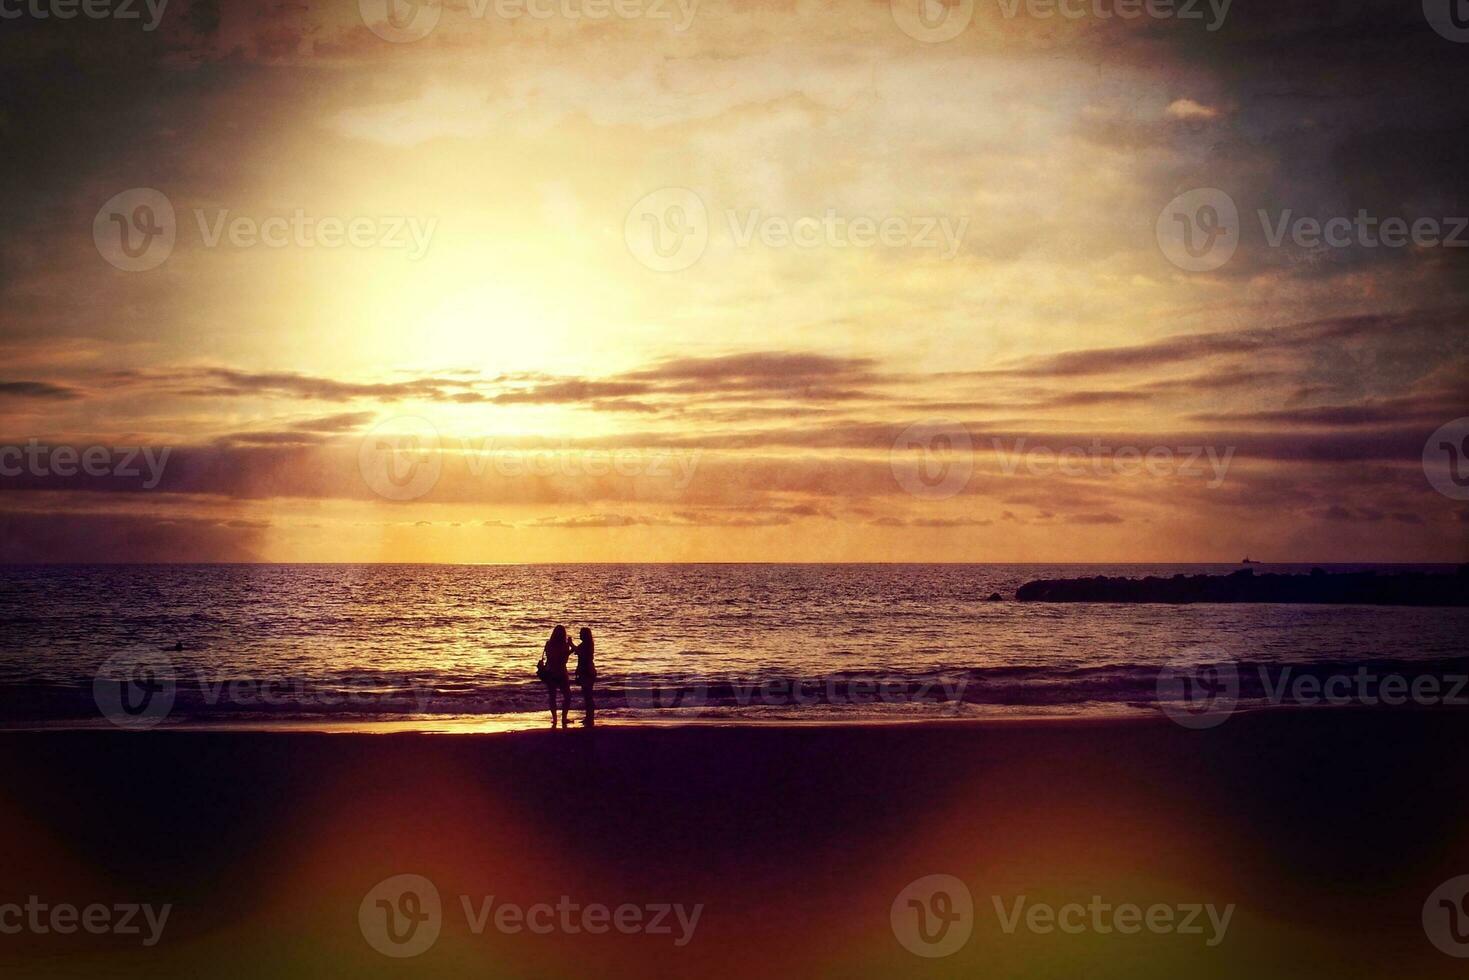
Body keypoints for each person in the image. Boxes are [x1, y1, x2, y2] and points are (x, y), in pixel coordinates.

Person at [539, 625, 574, 728]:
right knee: (567, 696)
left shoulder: (548, 644)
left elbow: (549, 658)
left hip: (550, 672)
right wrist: (570, 647)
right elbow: (564, 660)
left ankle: (554, 719)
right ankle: (564, 718)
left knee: (552, 697)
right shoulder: (564, 645)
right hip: (561, 673)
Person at [573, 627, 597, 727]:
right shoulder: (587, 644)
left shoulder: (586, 645)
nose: (580, 635)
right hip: (588, 671)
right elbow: (578, 651)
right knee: (587, 695)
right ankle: (589, 717)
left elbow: (578, 652)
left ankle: (589, 717)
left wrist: (570, 644)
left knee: (588, 695)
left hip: (587, 671)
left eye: (581, 633)